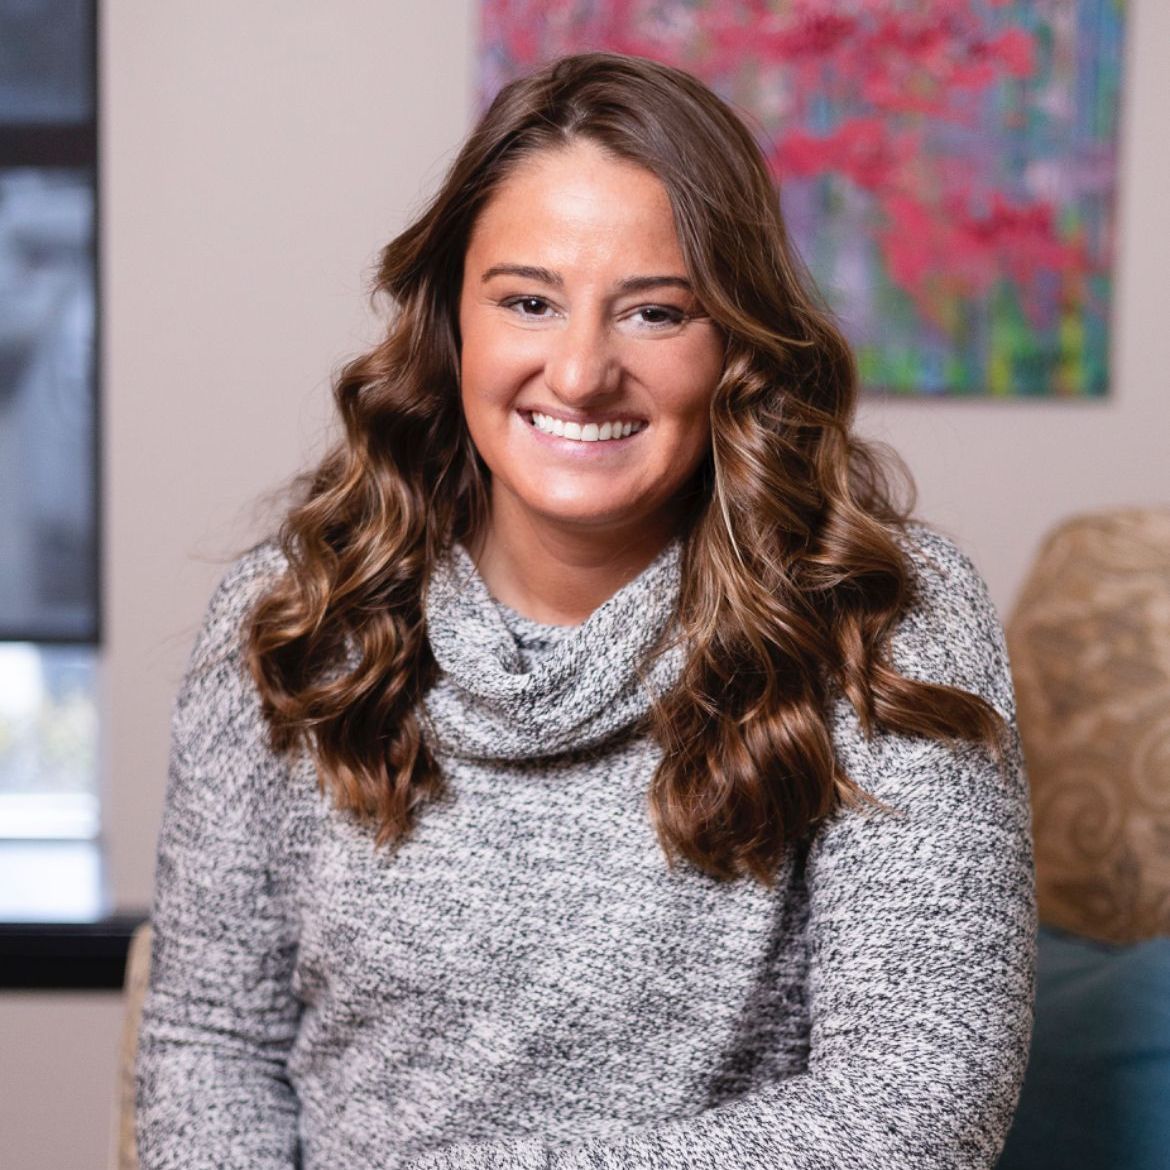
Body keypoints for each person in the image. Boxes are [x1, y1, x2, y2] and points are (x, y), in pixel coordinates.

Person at [135, 50, 1036, 1170]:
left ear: (737, 344)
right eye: (528, 301)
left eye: (655, 314)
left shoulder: (888, 620)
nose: (579, 373)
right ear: (451, 320)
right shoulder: (291, 612)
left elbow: (917, 1102)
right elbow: (212, 1042)